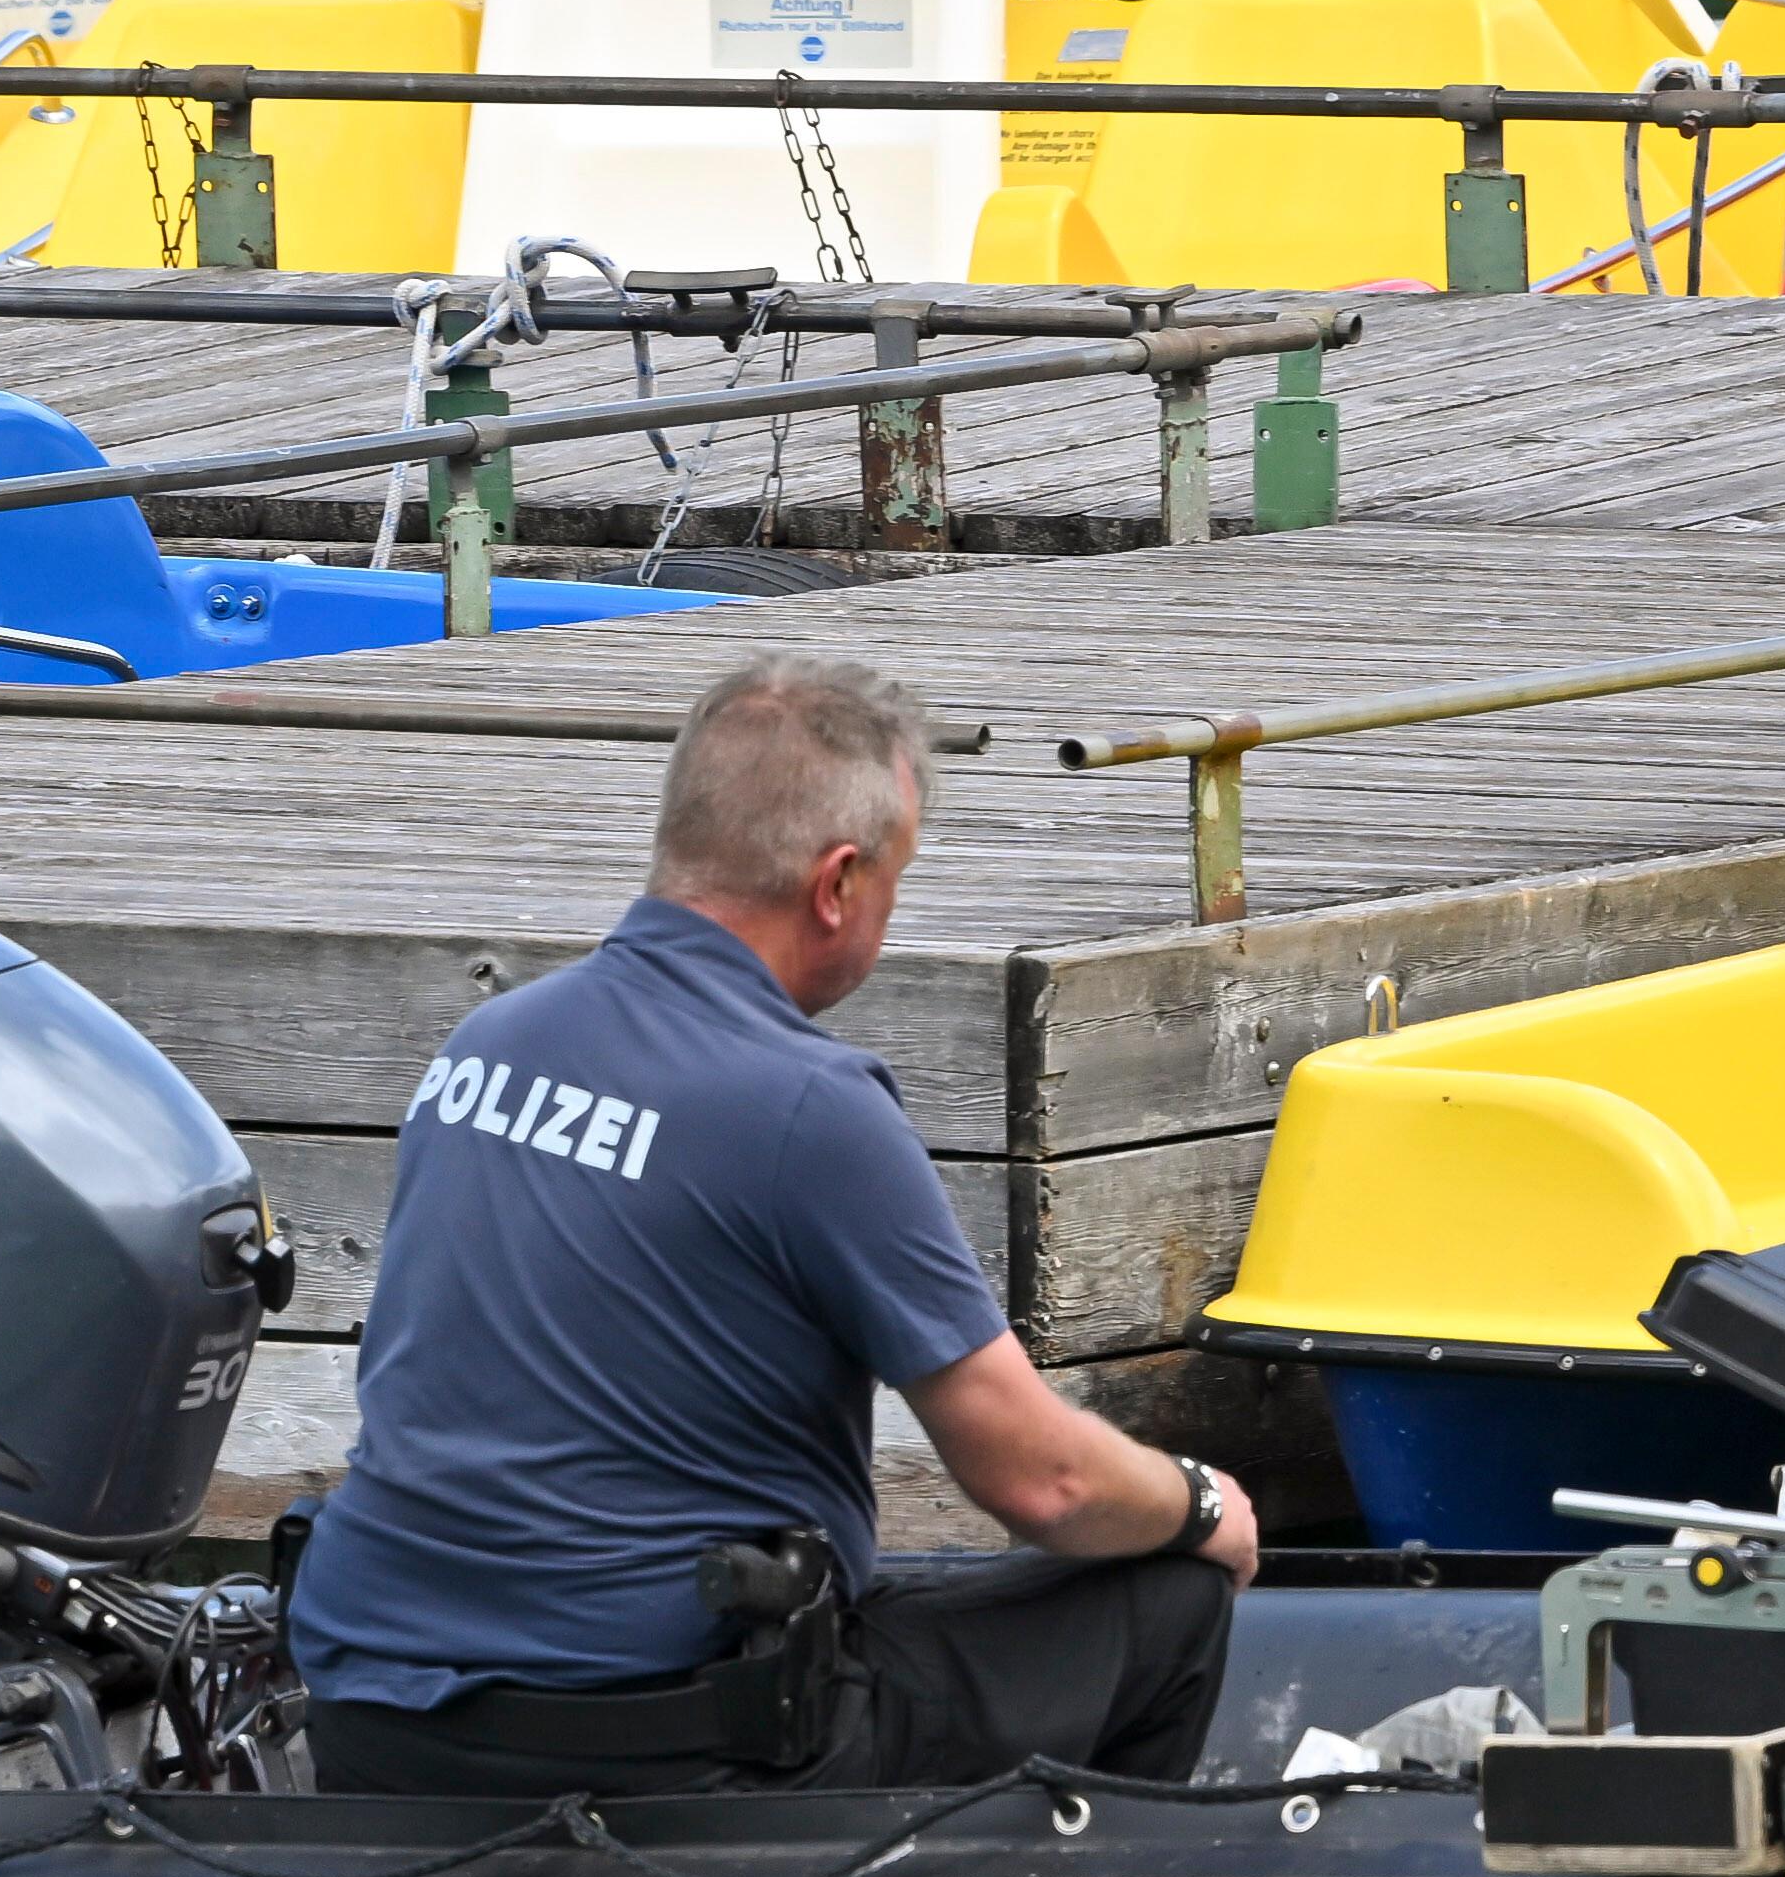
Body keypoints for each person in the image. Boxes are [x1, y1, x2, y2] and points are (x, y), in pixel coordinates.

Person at [278, 643, 1259, 1789]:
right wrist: (1202, 1499)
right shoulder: (808, 1105)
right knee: (1171, 1593)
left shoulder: (483, 1045)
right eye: (896, 878)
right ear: (838, 884)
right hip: (654, 1741)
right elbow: (1044, 1481)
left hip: (369, 1712)